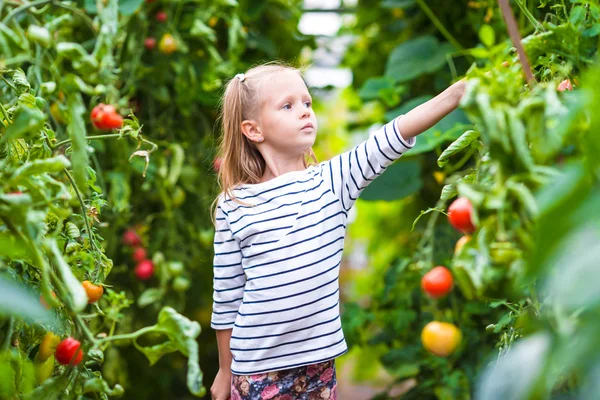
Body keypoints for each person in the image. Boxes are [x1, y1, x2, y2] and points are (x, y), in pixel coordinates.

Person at [210, 62, 466, 400]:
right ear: (253, 130)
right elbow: (227, 296)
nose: (304, 112)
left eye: (307, 103)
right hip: (257, 369)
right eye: (288, 106)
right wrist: (224, 370)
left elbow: (393, 135)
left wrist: (456, 93)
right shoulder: (235, 204)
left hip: (318, 366)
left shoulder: (332, 181)